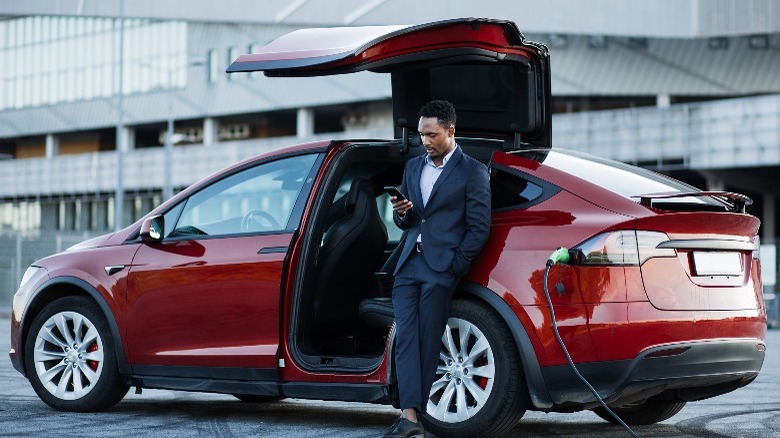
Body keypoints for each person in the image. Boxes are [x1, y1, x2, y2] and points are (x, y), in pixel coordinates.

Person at [383, 100, 491, 438]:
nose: (425, 141)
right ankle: (409, 416)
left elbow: (479, 227)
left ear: (450, 131)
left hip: (441, 268)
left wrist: (455, 266)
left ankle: (418, 417)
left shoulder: (473, 171)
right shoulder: (414, 167)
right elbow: (410, 221)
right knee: (406, 339)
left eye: (431, 135)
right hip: (408, 266)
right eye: (421, 135)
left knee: (429, 341)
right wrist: (402, 212)